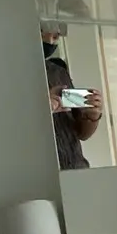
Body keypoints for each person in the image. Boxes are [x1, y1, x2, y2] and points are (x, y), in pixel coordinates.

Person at [43, 27, 103, 170]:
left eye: (56, 36)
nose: (50, 41)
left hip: (76, 168)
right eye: (42, 32)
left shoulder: (58, 71)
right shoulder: (7, 75)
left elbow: (81, 133)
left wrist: (92, 115)